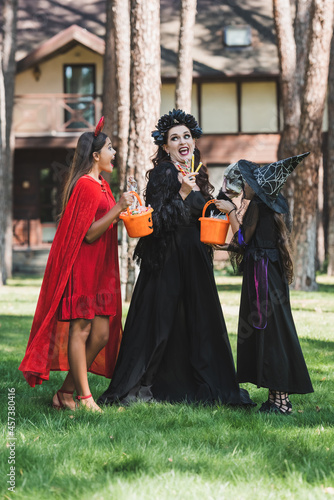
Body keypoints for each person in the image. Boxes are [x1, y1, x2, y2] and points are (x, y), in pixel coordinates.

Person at [98, 109, 254, 407]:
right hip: (167, 259)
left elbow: (201, 214)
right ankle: (144, 386)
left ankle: (201, 385)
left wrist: (218, 205)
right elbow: (154, 222)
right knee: (160, 321)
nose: (182, 141)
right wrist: (183, 192)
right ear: (165, 146)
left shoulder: (199, 170)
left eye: (186, 136)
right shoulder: (164, 172)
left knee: (199, 322)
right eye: (174, 138)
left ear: (193, 141)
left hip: (195, 259)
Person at [19, 117, 133, 412]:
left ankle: (65, 393)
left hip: (102, 269)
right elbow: (89, 234)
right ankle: (85, 398)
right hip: (84, 268)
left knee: (102, 334)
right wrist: (119, 209)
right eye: (110, 148)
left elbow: (104, 224)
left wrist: (126, 211)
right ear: (95, 156)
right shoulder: (85, 186)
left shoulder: (102, 185)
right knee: (81, 330)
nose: (114, 154)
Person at [215, 155, 314, 414]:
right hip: (269, 272)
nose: (244, 185)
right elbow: (255, 241)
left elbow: (245, 239)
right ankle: (274, 398)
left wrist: (230, 212)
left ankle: (282, 402)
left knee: (272, 334)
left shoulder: (258, 205)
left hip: (264, 275)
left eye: (246, 182)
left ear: (256, 187)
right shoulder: (271, 205)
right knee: (272, 331)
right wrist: (224, 245)